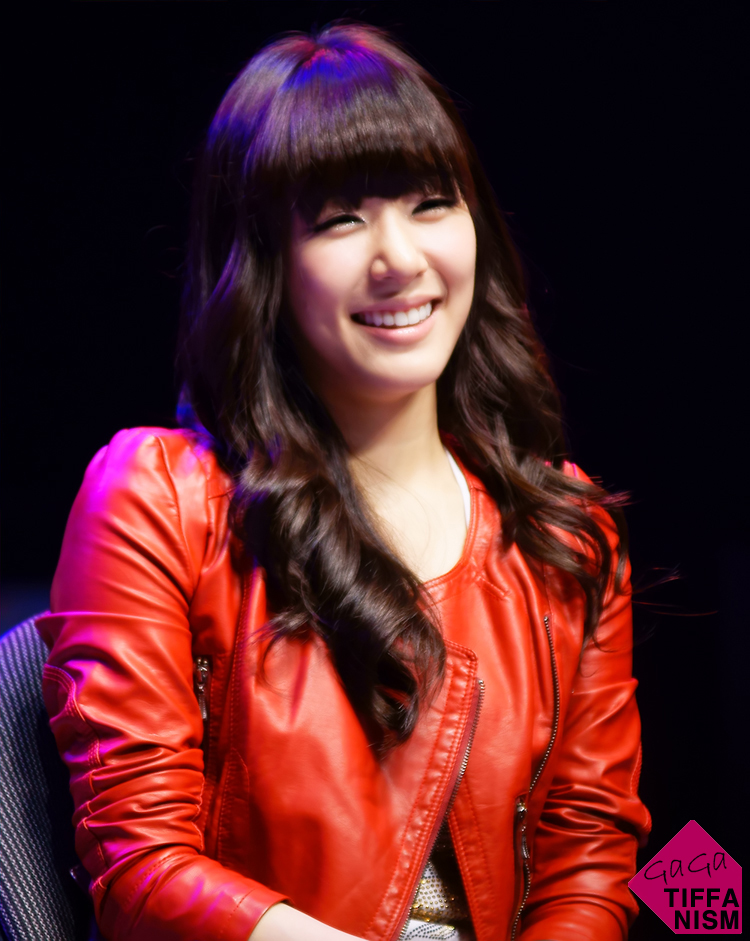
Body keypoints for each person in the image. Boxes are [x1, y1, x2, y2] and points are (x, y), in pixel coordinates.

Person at [37, 22, 650, 941]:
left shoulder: (564, 534)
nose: (399, 258)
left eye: (431, 204)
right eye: (340, 219)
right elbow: (140, 867)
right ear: (263, 263)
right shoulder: (159, 496)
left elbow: (589, 866)